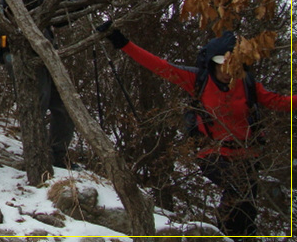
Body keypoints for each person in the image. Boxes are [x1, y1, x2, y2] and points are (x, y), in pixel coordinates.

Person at [97, 24, 294, 237]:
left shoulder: (247, 83)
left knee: (247, 206)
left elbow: (278, 101)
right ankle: (228, 234)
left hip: (247, 155)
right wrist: (122, 42)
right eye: (223, 67)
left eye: (233, 68)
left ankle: (236, 235)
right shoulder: (198, 80)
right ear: (213, 65)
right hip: (212, 153)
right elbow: (160, 66)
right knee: (237, 191)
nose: (228, 73)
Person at [4, 0, 76, 168]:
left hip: (46, 49)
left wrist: (77, 5)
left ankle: (58, 157)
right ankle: (35, 158)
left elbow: (55, 19)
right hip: (25, 52)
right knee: (38, 101)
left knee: (63, 103)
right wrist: (64, 4)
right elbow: (29, 13)